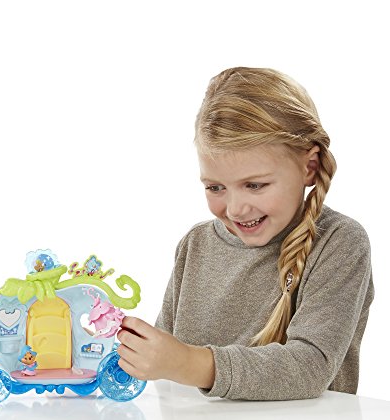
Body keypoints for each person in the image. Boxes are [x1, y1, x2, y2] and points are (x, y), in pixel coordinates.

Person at [116, 67, 374, 400]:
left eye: (255, 185)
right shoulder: (196, 245)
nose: (235, 209)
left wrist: (190, 363)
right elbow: (165, 371)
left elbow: (310, 367)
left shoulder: (339, 242)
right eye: (215, 187)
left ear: (309, 167)